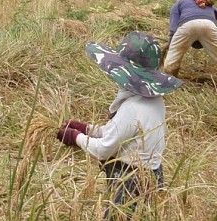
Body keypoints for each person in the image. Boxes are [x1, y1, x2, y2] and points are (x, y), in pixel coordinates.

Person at [57, 31, 182, 220]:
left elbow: (104, 150)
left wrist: (76, 137)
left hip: (129, 178)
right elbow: (122, 132)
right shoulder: (156, 101)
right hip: (154, 175)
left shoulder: (132, 108)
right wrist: (89, 129)